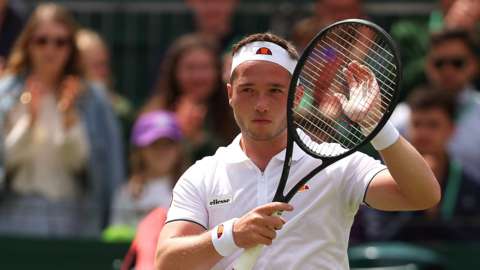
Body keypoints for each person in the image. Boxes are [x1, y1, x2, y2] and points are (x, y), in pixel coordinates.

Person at [155, 33, 440, 269]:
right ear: (230, 94)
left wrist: (378, 128)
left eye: (276, 91)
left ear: (297, 96)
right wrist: (231, 235)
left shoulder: (336, 163)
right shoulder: (202, 174)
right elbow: (166, 261)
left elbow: (423, 195)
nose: (261, 104)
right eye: (248, 90)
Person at [0, 3, 124, 237]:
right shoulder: (5, 93)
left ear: (71, 47)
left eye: (60, 42)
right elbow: (8, 161)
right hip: (13, 217)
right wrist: (29, 120)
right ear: (28, 44)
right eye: (42, 40)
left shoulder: (94, 99)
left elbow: (102, 167)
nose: (50, 49)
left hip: (75, 218)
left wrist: (70, 122)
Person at [364, 88, 480, 242]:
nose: (424, 133)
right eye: (417, 124)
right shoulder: (383, 179)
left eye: (433, 125)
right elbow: (377, 237)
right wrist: (420, 195)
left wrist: (431, 207)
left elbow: (472, 246)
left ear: (451, 130)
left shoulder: (471, 186)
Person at [391, 29, 480, 182]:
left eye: (457, 63)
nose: (447, 70)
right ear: (428, 65)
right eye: (439, 63)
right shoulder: (401, 118)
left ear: (474, 64)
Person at [143, 34, 237, 164]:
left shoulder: (234, 113)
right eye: (190, 68)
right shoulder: (154, 114)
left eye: (205, 68)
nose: (198, 76)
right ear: (174, 72)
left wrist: (200, 140)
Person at [109, 110, 184, 229]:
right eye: (154, 145)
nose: (162, 151)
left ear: (178, 149)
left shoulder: (190, 189)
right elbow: (117, 234)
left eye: (168, 144)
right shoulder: (126, 193)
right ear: (140, 150)